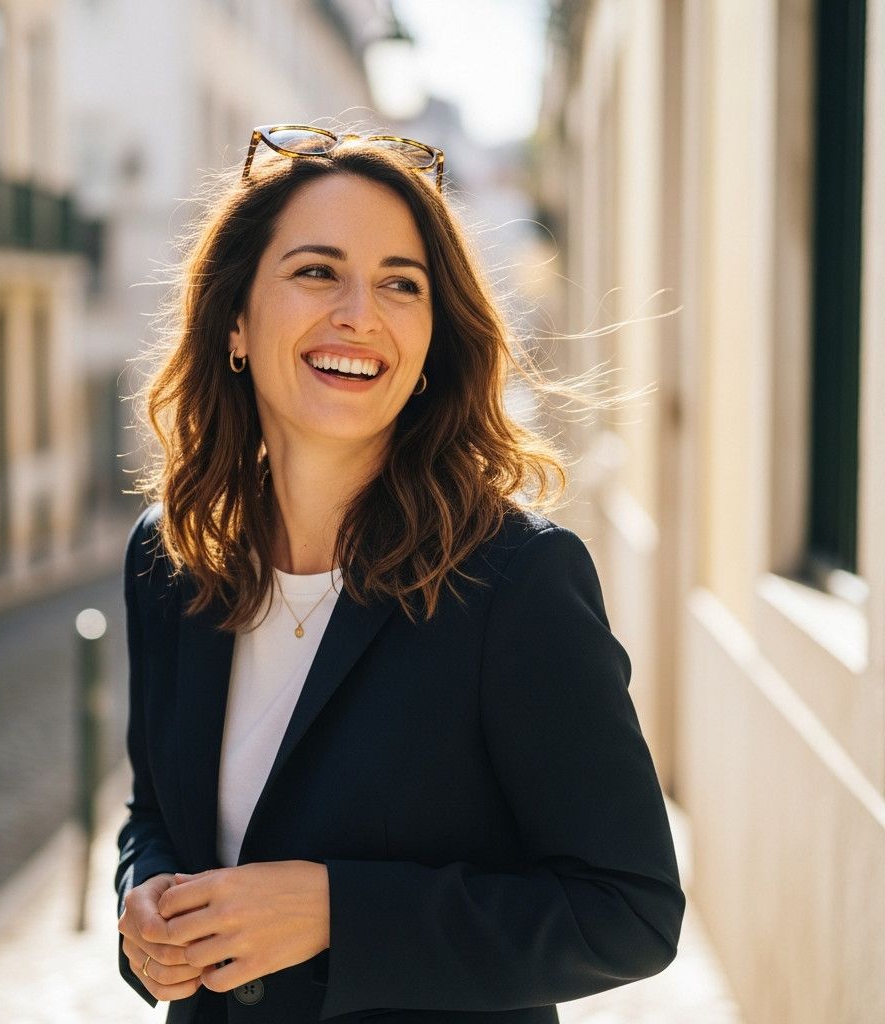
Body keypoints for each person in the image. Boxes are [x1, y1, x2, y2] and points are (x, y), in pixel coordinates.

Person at [115, 124, 685, 1024]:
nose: (359, 312)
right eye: (315, 271)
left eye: (400, 284)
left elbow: (630, 912)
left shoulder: (518, 580)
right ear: (235, 320)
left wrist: (338, 912)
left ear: (430, 343)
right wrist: (143, 901)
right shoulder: (172, 556)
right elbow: (156, 812)